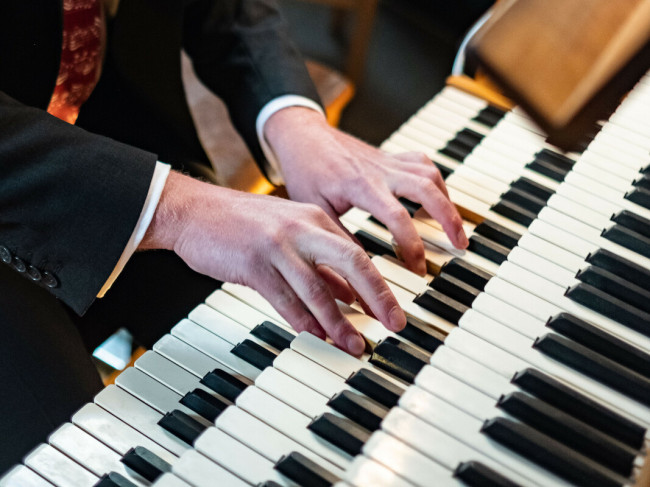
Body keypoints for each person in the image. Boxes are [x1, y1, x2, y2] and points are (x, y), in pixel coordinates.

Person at [0, 0, 467, 471]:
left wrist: (294, 122)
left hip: (119, 151)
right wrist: (179, 208)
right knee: (70, 464)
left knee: (316, 371)